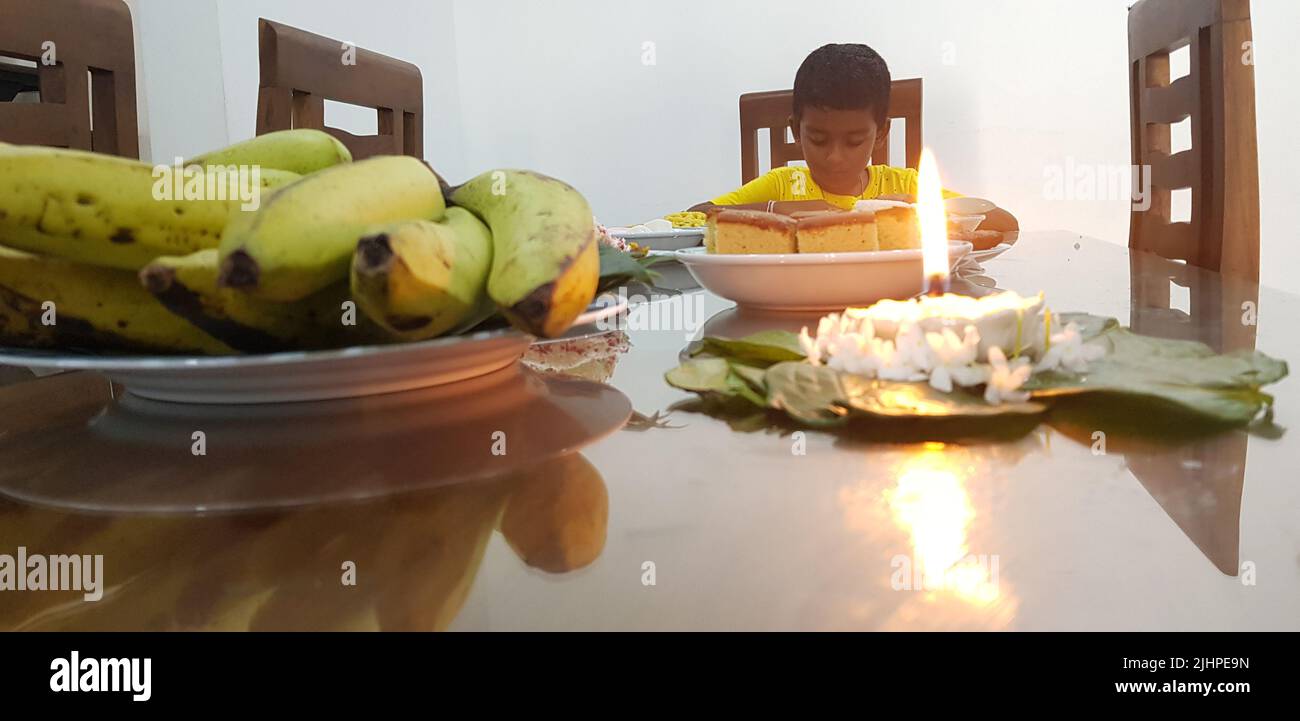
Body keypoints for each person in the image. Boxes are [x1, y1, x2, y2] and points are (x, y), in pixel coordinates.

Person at [689, 43, 1018, 232]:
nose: (835, 157)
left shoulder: (903, 186)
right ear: (795, 131)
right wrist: (778, 209)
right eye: (818, 139)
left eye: (854, 141)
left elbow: (1004, 222)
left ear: (881, 133)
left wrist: (917, 207)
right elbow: (693, 217)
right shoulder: (782, 185)